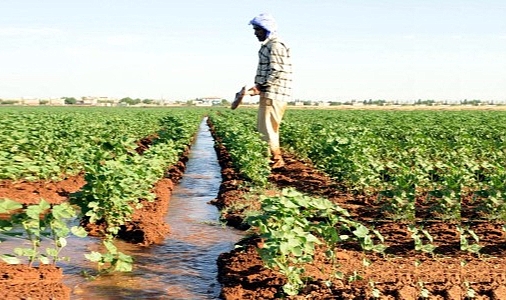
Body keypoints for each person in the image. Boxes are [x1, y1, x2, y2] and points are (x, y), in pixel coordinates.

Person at [245, 13, 292, 169]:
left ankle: (275, 161)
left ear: (267, 29)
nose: (255, 33)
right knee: (266, 128)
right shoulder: (270, 45)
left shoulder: (276, 45)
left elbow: (277, 71)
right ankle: (272, 160)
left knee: (267, 129)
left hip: (274, 94)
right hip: (271, 93)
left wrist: (260, 86)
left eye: (257, 29)